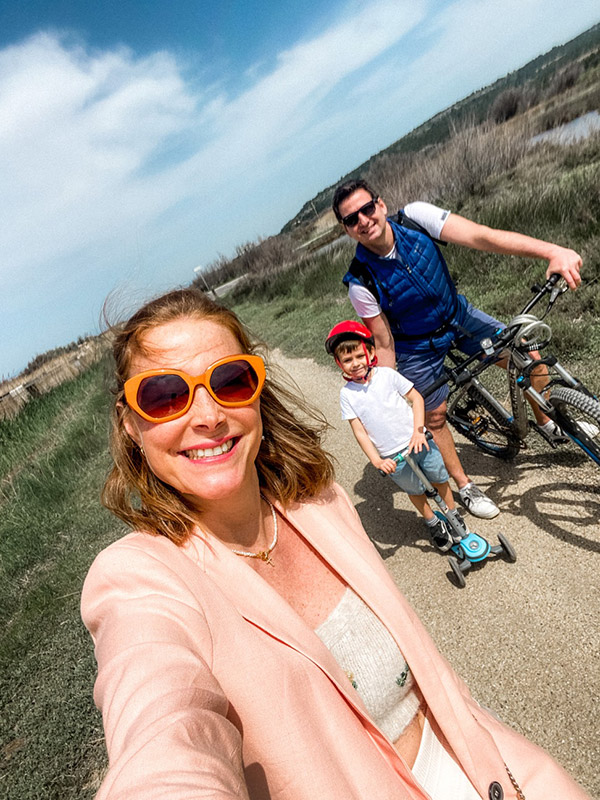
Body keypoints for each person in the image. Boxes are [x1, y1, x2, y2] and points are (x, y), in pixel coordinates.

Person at [81, 287, 590, 799]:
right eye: (164, 395)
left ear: (256, 394)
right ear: (130, 424)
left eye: (231, 381)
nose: (208, 416)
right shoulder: (139, 582)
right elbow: (163, 734)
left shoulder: (322, 503)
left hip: (482, 759)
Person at [333, 178, 583, 520]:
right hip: (417, 347)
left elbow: (481, 236)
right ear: (346, 229)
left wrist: (551, 251)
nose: (363, 220)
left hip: (458, 317)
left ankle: (545, 420)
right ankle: (464, 486)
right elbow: (384, 340)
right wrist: (386, 391)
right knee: (434, 416)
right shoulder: (359, 281)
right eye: (351, 219)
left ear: (381, 204)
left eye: (367, 208)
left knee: (528, 355)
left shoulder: (416, 218)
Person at [326, 319, 456, 552]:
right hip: (393, 455)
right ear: (339, 363)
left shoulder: (387, 375)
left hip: (420, 441)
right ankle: (432, 521)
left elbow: (416, 399)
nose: (355, 363)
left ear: (370, 352)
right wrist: (377, 460)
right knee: (414, 490)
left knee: (439, 477)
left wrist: (418, 431)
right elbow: (359, 431)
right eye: (347, 360)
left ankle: (453, 514)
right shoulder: (347, 395)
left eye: (359, 356)